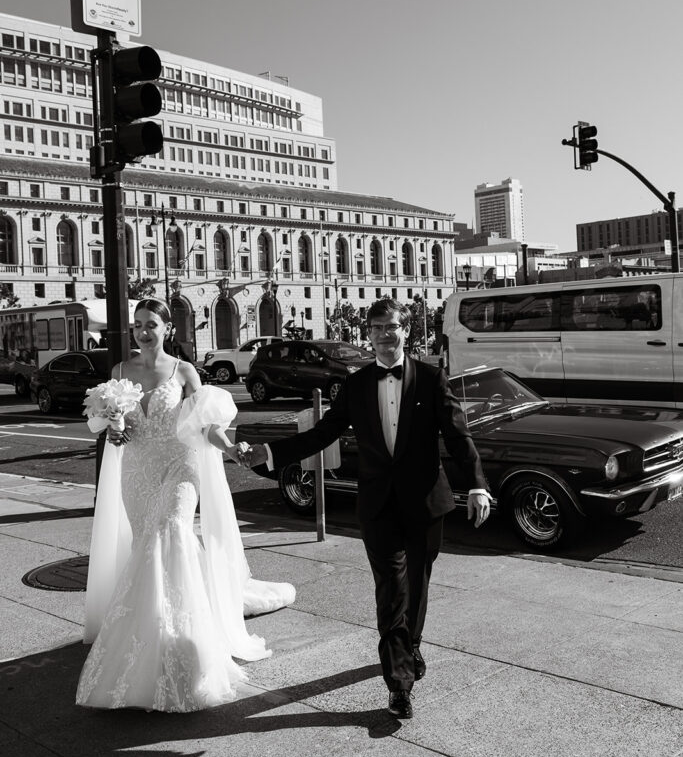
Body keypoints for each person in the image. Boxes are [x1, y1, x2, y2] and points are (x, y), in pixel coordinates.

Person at [243, 297, 490, 720]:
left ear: (405, 330)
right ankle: (399, 684)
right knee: (390, 592)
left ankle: (411, 644)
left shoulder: (431, 378)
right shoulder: (355, 386)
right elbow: (322, 434)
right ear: (368, 333)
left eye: (391, 326)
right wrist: (269, 452)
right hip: (378, 506)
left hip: (426, 502)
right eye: (376, 327)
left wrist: (479, 487)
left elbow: (457, 436)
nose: (383, 334)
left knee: (418, 584)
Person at [76, 298, 295, 712]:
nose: (143, 331)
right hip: (137, 473)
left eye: (151, 324)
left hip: (180, 467)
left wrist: (231, 448)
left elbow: (207, 425)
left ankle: (185, 655)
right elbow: (108, 423)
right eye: (138, 324)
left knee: (171, 533)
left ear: (167, 328)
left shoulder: (185, 372)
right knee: (148, 547)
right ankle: (149, 643)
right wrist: (114, 431)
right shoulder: (120, 372)